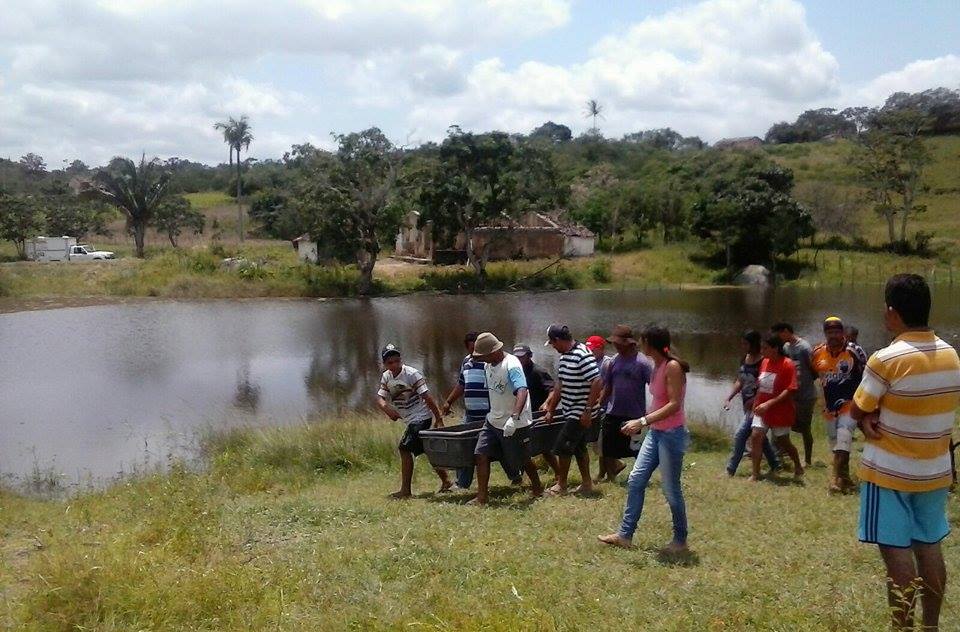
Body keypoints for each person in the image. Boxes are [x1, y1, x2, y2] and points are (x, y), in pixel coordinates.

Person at [851, 274, 960, 631]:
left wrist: (867, 418)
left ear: (892, 313)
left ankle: (902, 628)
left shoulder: (886, 359)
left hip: (889, 472)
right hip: (935, 471)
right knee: (929, 546)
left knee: (896, 556)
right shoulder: (951, 356)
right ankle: (930, 626)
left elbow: (857, 408)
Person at [598, 326, 690, 552]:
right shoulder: (657, 366)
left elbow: (674, 404)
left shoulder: (672, 367)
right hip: (656, 433)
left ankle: (680, 541)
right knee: (636, 479)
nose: (639, 343)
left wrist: (642, 421)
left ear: (650, 342)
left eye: (642, 340)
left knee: (670, 489)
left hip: (671, 435)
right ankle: (625, 535)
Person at [469, 332, 544, 505]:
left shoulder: (512, 365)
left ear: (494, 352)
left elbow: (522, 390)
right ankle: (482, 497)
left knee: (522, 459)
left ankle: (538, 488)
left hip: (514, 423)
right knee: (481, 454)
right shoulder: (489, 366)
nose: (481, 360)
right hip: (493, 420)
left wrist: (514, 417)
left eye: (483, 356)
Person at [376, 344, 451, 498]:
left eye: (397, 361)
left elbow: (428, 398)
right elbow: (380, 398)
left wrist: (438, 418)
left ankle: (405, 491)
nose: (394, 365)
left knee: (404, 448)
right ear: (385, 364)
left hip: (421, 417)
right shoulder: (386, 377)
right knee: (427, 450)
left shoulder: (412, 374)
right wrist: (387, 409)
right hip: (409, 419)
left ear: (401, 360)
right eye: (390, 362)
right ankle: (446, 481)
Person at [542, 324, 602, 495]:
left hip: (580, 411)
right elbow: (559, 385)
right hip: (570, 410)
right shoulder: (564, 357)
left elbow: (597, 381)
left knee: (563, 447)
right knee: (579, 447)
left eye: (553, 343)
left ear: (559, 340)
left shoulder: (582, 355)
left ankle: (561, 485)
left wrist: (588, 410)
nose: (553, 347)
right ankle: (587, 483)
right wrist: (551, 409)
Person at [812, 316, 863, 494]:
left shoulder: (854, 351)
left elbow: (867, 376)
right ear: (825, 333)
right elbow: (813, 374)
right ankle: (846, 478)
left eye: (836, 332)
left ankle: (834, 479)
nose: (833, 335)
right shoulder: (817, 352)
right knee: (837, 445)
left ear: (842, 333)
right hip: (829, 407)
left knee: (844, 436)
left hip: (850, 404)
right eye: (829, 332)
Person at [597, 325, 653, 483]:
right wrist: (598, 405)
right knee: (607, 448)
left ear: (628, 343)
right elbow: (607, 387)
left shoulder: (642, 363)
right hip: (613, 411)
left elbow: (654, 387)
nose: (615, 346)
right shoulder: (613, 361)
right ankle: (610, 477)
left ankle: (641, 477)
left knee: (637, 449)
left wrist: (653, 410)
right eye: (614, 343)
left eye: (618, 343)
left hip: (634, 413)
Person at [723, 330, 781, 477]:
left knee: (740, 435)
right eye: (742, 343)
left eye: (746, 343)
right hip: (746, 405)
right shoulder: (744, 359)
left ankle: (730, 470)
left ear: (754, 344)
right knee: (760, 437)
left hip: (758, 406)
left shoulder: (763, 362)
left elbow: (765, 385)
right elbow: (740, 381)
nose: (743, 346)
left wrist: (756, 402)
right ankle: (775, 464)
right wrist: (729, 397)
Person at [750, 334, 805, 482]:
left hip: (780, 410)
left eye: (765, 348)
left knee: (783, 441)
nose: (762, 351)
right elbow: (761, 386)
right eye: (761, 348)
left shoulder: (787, 364)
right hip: (762, 409)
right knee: (756, 436)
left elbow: (790, 389)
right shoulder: (764, 362)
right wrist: (756, 403)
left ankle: (798, 465)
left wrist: (769, 404)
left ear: (775, 349)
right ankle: (755, 473)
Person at [441, 331, 490, 489]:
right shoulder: (466, 361)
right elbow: (461, 384)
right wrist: (449, 401)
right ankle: (462, 483)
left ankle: (515, 475)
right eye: (472, 349)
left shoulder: (489, 362)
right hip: (470, 414)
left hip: (489, 415)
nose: (475, 352)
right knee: (462, 446)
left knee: (497, 448)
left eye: (478, 348)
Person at [773, 322, 817, 467]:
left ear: (786, 331)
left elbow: (813, 369)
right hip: (791, 395)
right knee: (782, 425)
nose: (778, 338)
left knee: (805, 428)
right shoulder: (785, 348)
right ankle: (779, 457)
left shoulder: (803, 347)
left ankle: (808, 460)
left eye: (779, 334)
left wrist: (803, 383)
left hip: (805, 395)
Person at [585, 334, 612, 481]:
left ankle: (609, 471)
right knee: (597, 442)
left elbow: (608, 386)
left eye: (592, 349)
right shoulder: (590, 363)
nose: (590, 352)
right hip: (594, 406)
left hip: (605, 407)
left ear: (601, 348)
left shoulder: (607, 363)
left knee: (601, 441)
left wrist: (598, 403)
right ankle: (607, 470)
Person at [513, 344, 554, 411]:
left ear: (530, 355)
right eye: (516, 357)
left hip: (536, 412)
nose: (519, 359)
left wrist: (547, 403)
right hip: (521, 411)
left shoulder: (538, 371)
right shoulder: (513, 371)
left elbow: (553, 390)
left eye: (522, 357)